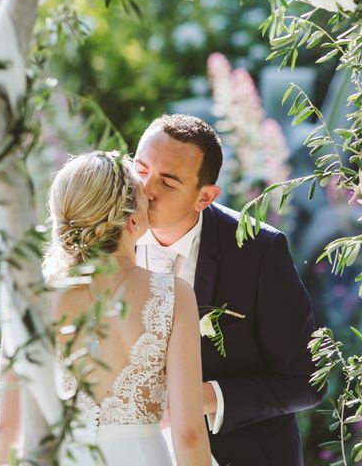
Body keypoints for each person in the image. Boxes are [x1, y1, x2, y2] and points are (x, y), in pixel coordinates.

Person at [0, 151, 211, 466]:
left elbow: (8, 429)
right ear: (133, 219)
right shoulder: (172, 295)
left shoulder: (28, 301)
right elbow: (188, 433)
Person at [134, 114, 324, 466]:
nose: (146, 191)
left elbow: (307, 381)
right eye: (141, 170)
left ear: (204, 197)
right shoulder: (102, 236)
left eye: (168, 182)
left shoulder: (258, 252)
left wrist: (201, 399)